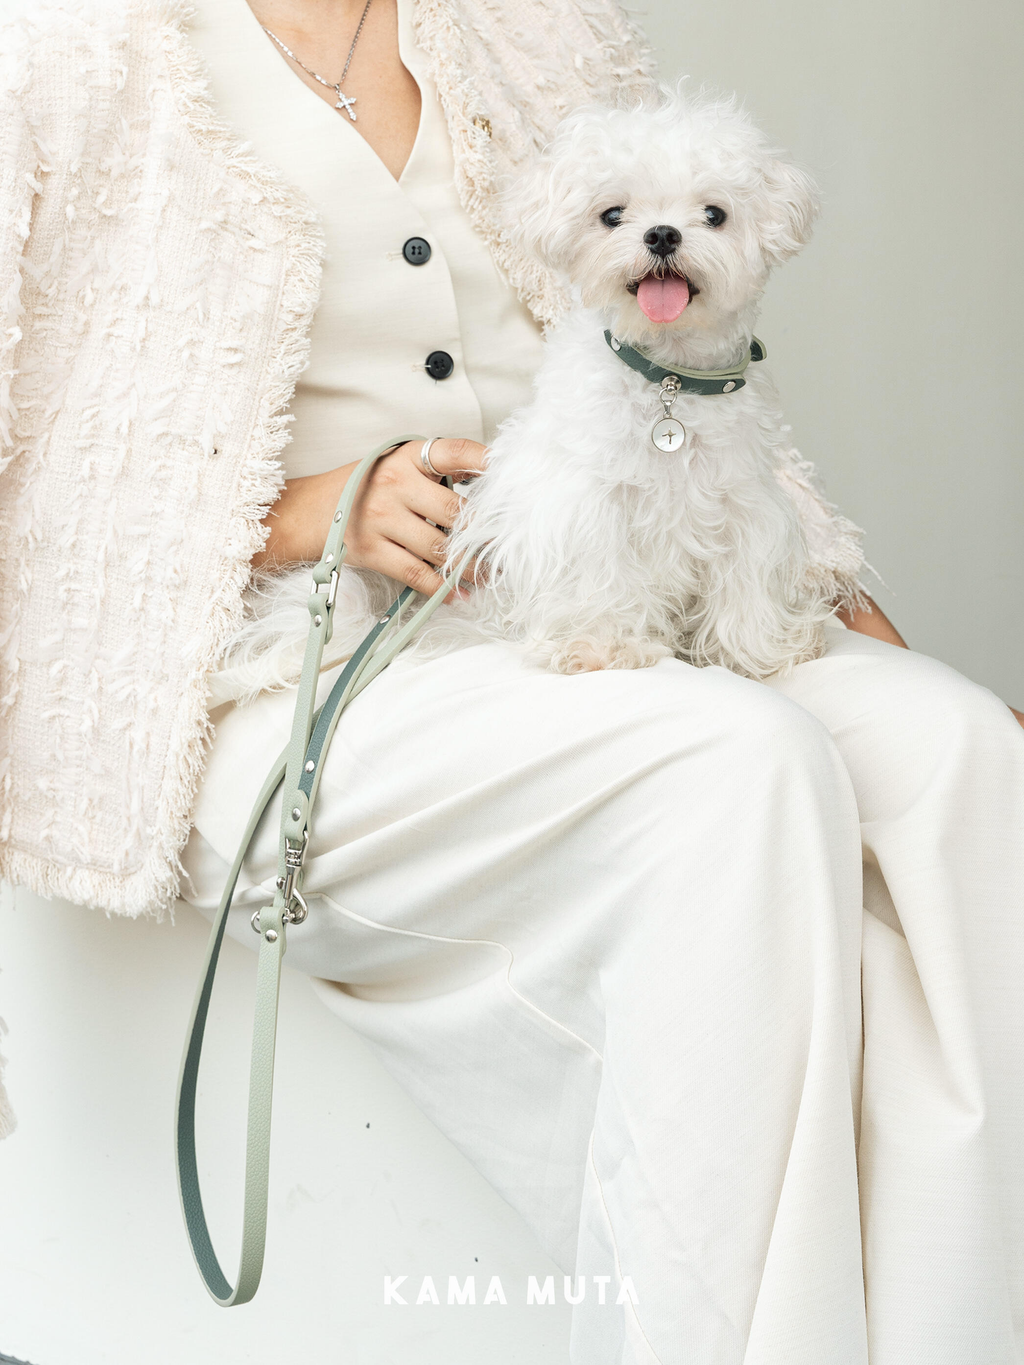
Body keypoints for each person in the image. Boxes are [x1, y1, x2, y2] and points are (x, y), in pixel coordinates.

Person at [1, 0, 1022, 1360]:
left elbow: (682, 378)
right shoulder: (61, 46)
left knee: (958, 752)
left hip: (591, 584)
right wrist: (307, 509)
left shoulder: (539, 25)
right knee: (735, 766)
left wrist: (852, 604)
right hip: (276, 670)